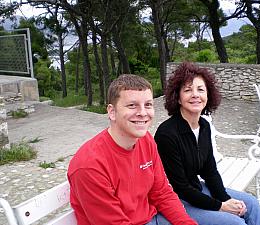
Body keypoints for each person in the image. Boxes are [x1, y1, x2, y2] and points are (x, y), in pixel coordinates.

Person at [67, 74, 197, 225]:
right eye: (132, 105)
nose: (143, 113)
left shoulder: (146, 140)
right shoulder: (89, 166)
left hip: (152, 217)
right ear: (112, 112)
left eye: (148, 105)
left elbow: (161, 192)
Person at [154, 62, 260, 225]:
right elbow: (180, 187)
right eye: (188, 90)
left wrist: (226, 199)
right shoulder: (167, 134)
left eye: (200, 89)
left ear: (208, 95)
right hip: (176, 199)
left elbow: (209, 171)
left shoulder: (204, 126)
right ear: (178, 98)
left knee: (251, 204)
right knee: (235, 222)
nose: (195, 95)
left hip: (196, 189)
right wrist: (221, 206)